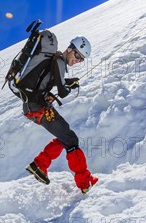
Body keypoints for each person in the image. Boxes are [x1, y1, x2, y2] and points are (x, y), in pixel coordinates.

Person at [22, 35, 98, 194]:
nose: (78, 60)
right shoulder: (58, 61)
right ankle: (84, 183)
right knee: (71, 139)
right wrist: (67, 86)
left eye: (81, 59)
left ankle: (39, 165)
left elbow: (56, 81)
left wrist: (69, 82)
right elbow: (62, 92)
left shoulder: (57, 62)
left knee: (66, 136)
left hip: (34, 106)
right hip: (37, 107)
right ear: (70, 48)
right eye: (77, 55)